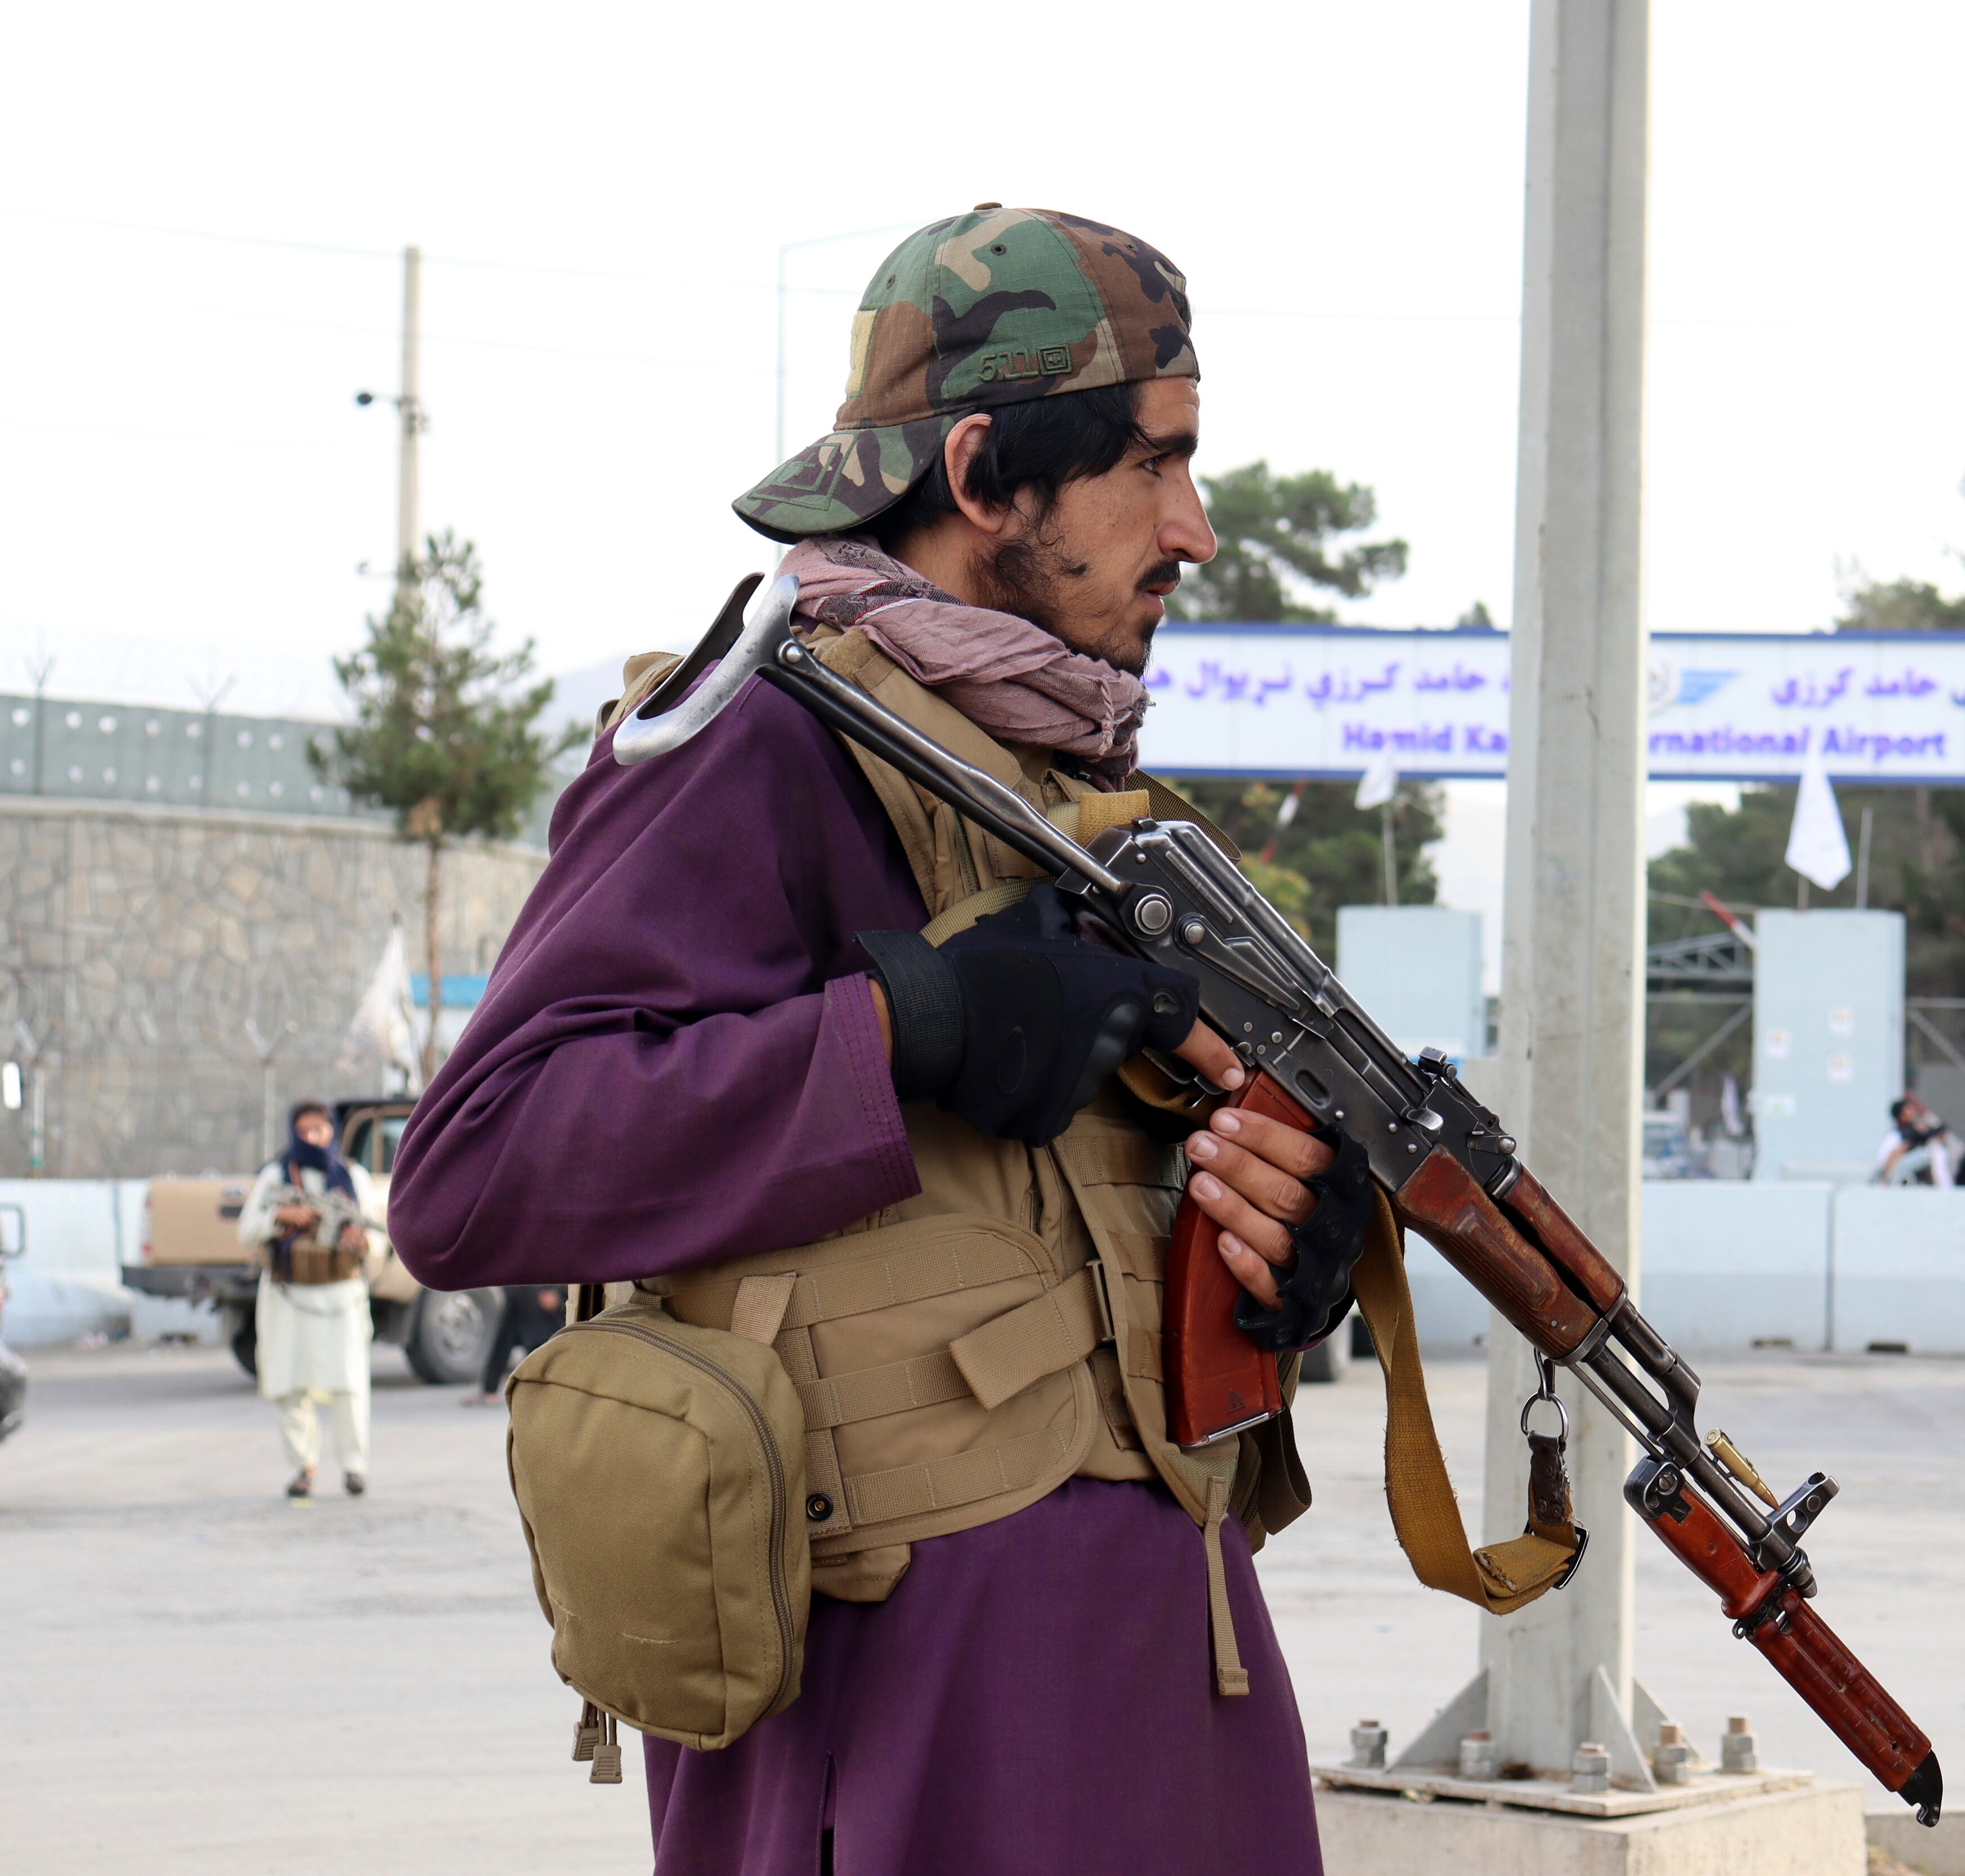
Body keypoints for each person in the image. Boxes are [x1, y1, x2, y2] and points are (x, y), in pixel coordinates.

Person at [391, 209, 1363, 1876]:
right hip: (905, 1725)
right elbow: (476, 1173)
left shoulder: (1078, 791)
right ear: (985, 475)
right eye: (1157, 465)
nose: (1196, 529)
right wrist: (907, 1025)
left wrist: (1290, 1233)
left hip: (1169, 1674)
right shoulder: (756, 739)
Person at [236, 1100, 382, 1501]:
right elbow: (247, 1230)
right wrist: (282, 1216)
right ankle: (304, 1466)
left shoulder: (352, 1176)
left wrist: (363, 1239)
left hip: (341, 1295)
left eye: (321, 1129)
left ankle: (354, 1465)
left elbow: (380, 1239)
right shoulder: (275, 1176)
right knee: (287, 1384)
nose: (315, 1138)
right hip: (289, 1297)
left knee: (350, 1385)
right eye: (306, 1131)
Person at [463, 1284, 569, 1407]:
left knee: (538, 1342)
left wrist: (556, 1293)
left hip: (541, 1291)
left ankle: (546, 1392)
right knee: (506, 1339)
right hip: (522, 1289)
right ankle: (490, 1389)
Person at [1877, 1094, 1950, 1187]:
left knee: (1936, 1149)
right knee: (1935, 1152)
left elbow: (1937, 1132)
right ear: (1900, 1115)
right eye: (1908, 1110)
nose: (1912, 1112)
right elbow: (1894, 1154)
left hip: (1903, 1172)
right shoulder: (1896, 1135)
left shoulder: (1912, 1130)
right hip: (1891, 1171)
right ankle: (1945, 1189)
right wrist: (1885, 1180)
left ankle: (1944, 1187)